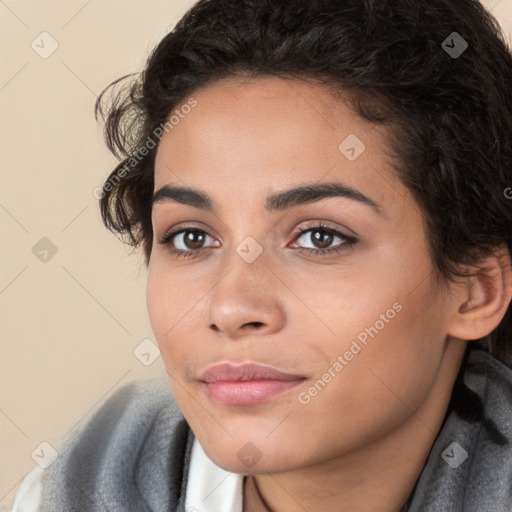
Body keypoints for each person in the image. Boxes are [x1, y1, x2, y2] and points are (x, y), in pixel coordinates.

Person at [13, 0, 512, 510]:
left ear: (476, 289)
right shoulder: (75, 487)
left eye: (320, 237)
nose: (230, 307)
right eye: (191, 237)